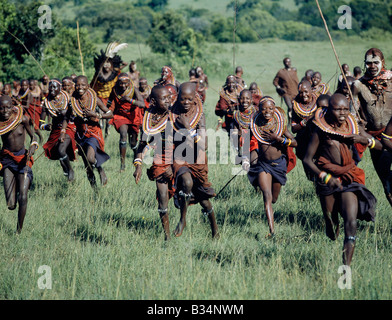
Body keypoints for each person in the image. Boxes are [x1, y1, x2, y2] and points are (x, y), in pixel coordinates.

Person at [303, 93, 380, 266]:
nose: (343, 113)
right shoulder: (320, 129)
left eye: (346, 109)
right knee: (332, 226)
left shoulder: (353, 124)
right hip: (327, 178)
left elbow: (380, 145)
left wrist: (364, 139)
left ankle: (345, 269)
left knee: (350, 222)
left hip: (349, 178)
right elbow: (308, 159)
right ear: (330, 110)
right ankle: (329, 221)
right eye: (338, 109)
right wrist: (325, 176)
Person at [170, 82, 219, 239]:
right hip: (179, 157)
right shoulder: (172, 113)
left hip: (197, 159)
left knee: (204, 201)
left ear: (194, 98)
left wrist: (188, 128)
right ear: (177, 98)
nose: (186, 102)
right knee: (186, 182)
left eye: (189, 99)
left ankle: (215, 231)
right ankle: (182, 219)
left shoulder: (200, 115)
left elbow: (204, 145)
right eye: (182, 99)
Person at [244, 96, 297, 238]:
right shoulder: (255, 126)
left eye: (270, 108)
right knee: (266, 196)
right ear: (259, 109)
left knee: (274, 198)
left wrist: (279, 139)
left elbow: (295, 143)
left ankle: (271, 220)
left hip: (279, 164)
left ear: (275, 110)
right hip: (263, 165)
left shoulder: (280, 126)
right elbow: (248, 143)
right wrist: (247, 159)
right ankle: (272, 231)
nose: (267, 111)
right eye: (264, 108)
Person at [133, 85, 174, 240]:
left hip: (181, 156)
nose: (168, 101)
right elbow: (142, 144)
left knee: (186, 191)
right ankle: (167, 236)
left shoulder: (175, 114)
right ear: (153, 102)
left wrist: (175, 165)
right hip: (161, 158)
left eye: (169, 97)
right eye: (164, 99)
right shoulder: (148, 118)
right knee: (162, 197)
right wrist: (138, 165)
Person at [352, 48, 392, 206]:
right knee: (386, 183)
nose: (372, 66)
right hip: (375, 140)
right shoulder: (358, 85)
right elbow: (353, 116)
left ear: (382, 62)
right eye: (369, 63)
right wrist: (364, 135)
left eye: (376, 62)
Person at [0, 95, 38, 234]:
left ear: (12, 106)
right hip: (7, 161)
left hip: (23, 159)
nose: (5, 111)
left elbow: (33, 136)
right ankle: (15, 187)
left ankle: (18, 231)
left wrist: (33, 146)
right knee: (11, 205)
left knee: (23, 196)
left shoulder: (22, 119)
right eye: (1, 108)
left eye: (8, 107)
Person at [70, 75, 113, 187]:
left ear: (88, 86)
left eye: (83, 85)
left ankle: (100, 169)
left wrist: (96, 114)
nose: (80, 87)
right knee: (87, 166)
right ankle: (95, 192)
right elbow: (67, 117)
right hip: (80, 135)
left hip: (93, 133)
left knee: (90, 157)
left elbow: (110, 114)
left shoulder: (94, 99)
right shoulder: (73, 101)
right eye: (77, 85)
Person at [107, 73, 145, 172]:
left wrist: (129, 100)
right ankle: (122, 165)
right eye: (121, 83)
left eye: (125, 83)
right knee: (123, 134)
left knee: (133, 142)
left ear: (129, 82)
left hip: (133, 115)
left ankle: (135, 154)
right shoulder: (115, 90)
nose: (123, 86)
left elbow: (142, 104)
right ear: (118, 82)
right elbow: (109, 102)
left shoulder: (134, 89)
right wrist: (106, 111)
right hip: (120, 115)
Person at [40, 79, 77, 181]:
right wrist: (46, 126)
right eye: (50, 87)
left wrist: (66, 113)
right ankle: (67, 173)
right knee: (59, 154)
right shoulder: (46, 103)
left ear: (60, 88)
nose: (52, 89)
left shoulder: (68, 98)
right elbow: (40, 124)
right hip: (55, 129)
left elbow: (74, 114)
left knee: (61, 150)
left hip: (69, 126)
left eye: (54, 87)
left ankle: (70, 171)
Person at [91, 43, 127, 138]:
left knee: (109, 117)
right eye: (105, 64)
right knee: (100, 115)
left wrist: (113, 58)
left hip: (110, 98)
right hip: (99, 98)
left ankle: (107, 130)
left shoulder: (115, 72)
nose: (106, 65)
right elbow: (92, 85)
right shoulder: (98, 74)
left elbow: (124, 64)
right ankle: (100, 131)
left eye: (108, 63)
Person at [291, 80, 318, 180]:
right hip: (303, 142)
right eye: (301, 92)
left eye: (306, 91)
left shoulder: (319, 101)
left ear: (311, 90)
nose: (303, 94)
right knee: (310, 174)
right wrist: (305, 121)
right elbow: (294, 129)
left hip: (318, 139)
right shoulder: (296, 106)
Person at [232, 89, 257, 161]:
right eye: (242, 98)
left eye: (247, 98)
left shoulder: (256, 113)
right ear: (239, 100)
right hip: (243, 144)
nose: (245, 101)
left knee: (254, 161)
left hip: (255, 143)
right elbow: (234, 134)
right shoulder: (236, 114)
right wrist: (239, 134)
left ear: (251, 100)